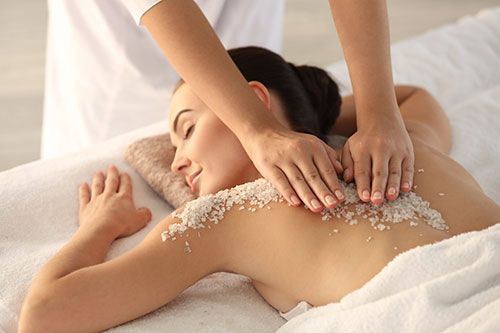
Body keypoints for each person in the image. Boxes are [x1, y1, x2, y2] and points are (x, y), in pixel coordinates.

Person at [19, 46, 500, 332]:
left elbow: (45, 315)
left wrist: (102, 227)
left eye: (187, 128)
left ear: (251, 101)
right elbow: (411, 98)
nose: (179, 159)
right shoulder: (397, 147)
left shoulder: (220, 220)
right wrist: (325, 122)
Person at [138, 0, 416, 210]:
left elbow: (410, 98)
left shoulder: (376, 162)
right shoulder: (215, 228)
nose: (174, 165)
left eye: (188, 130)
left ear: (259, 98)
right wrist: (258, 129)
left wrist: (379, 116)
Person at [40, 0, 284, 157]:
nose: (178, 164)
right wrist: (257, 128)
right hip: (122, 85)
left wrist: (259, 128)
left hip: (250, 55)